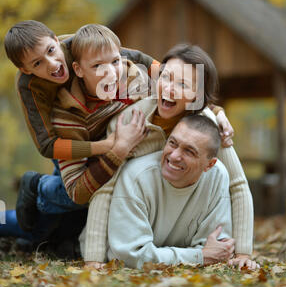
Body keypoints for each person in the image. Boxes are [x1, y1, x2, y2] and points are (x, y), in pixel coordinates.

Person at [80, 44, 257, 270]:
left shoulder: (208, 127)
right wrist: (93, 257)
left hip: (164, 224)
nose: (170, 89)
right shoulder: (129, 122)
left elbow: (238, 185)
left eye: (182, 84)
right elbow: (105, 187)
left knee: (218, 173)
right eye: (166, 77)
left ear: (197, 95)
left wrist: (243, 252)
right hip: (122, 218)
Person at [3, 21, 159, 234]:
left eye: (51, 50)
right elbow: (47, 146)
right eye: (37, 63)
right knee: (73, 197)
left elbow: (136, 58)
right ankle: (37, 186)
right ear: (25, 69)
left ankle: (60, 233)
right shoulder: (28, 85)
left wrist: (178, 82)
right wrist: (105, 146)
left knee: (68, 214)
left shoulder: (77, 44)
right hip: (64, 136)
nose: (52, 63)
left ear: (56, 40)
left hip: (94, 125)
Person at [107, 115, 235, 268]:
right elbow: (129, 255)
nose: (174, 156)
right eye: (172, 143)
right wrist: (198, 256)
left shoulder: (217, 176)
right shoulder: (136, 177)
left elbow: (216, 249)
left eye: (189, 151)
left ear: (209, 165)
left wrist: (205, 254)